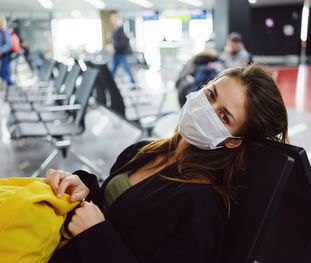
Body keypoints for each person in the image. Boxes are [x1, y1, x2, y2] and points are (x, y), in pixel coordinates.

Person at [46, 64, 288, 262]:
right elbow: (113, 211)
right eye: (211, 94)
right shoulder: (143, 150)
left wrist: (96, 237)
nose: (207, 109)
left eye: (224, 116)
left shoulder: (202, 203)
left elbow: (104, 228)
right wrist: (84, 188)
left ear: (233, 142)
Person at [109, 11, 135, 83]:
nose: (111, 20)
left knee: (126, 68)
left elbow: (123, 41)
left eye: (113, 18)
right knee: (114, 68)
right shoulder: (115, 30)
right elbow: (116, 41)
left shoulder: (121, 29)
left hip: (121, 53)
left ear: (117, 19)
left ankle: (133, 81)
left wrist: (115, 48)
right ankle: (109, 81)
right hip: (117, 53)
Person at [0, 15, 14, 87]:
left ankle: (13, 87)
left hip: (5, 56)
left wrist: (1, 50)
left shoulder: (4, 31)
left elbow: (9, 45)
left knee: (3, 74)